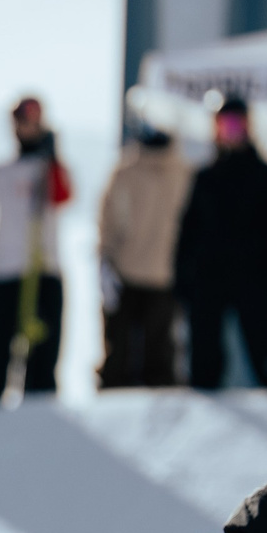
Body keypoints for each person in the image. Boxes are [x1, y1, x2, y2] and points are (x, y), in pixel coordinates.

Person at [173, 94, 267, 391]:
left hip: (251, 277)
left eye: (236, 125)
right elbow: (187, 232)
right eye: (224, 125)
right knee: (205, 356)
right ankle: (203, 406)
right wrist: (183, 279)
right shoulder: (206, 177)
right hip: (209, 278)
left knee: (266, 348)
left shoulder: (262, 176)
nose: (231, 132)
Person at [0, 96, 70, 401]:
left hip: (42, 272)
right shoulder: (2, 172)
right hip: (2, 273)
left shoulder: (50, 169)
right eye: (22, 121)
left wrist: (52, 159)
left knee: (41, 364)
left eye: (33, 121)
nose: (27, 127)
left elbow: (63, 195)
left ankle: (37, 420)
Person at [97, 125, 192, 387]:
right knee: (123, 356)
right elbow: (108, 222)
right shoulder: (127, 172)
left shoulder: (182, 173)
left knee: (157, 358)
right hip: (129, 276)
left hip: (163, 277)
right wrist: (104, 263)